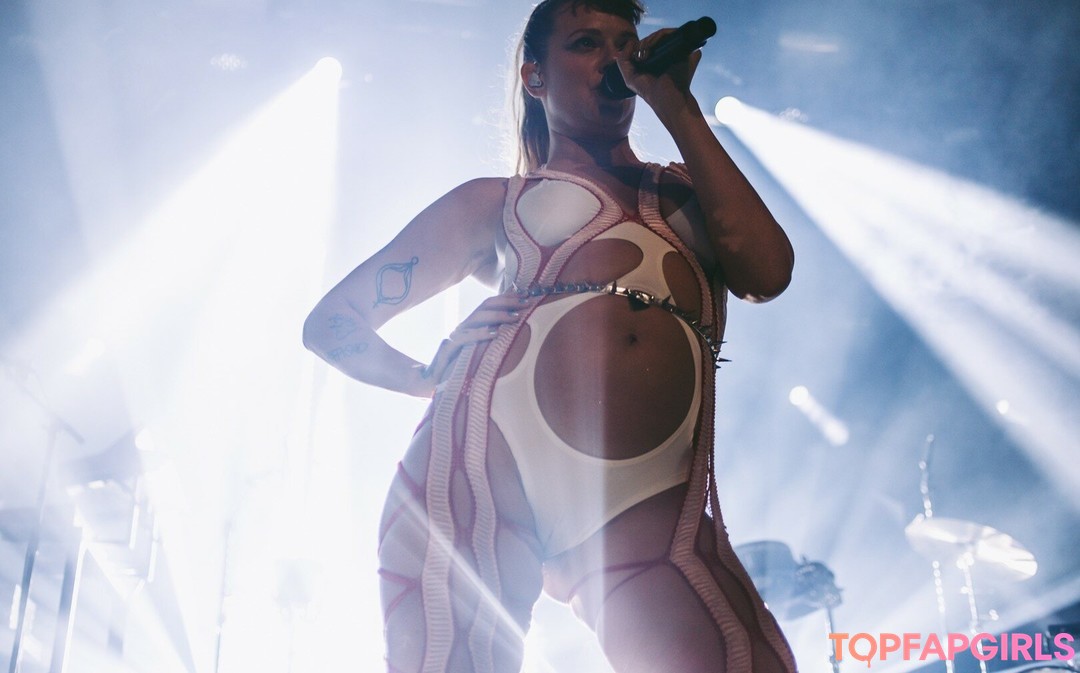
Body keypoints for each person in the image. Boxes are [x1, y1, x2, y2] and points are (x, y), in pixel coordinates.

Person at [303, 0, 798, 671]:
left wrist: (676, 106)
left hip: (643, 504)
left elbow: (768, 272)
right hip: (481, 469)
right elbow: (332, 322)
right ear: (534, 76)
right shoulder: (495, 201)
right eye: (586, 43)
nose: (613, 59)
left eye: (624, 43)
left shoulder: (687, 193)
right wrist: (422, 377)